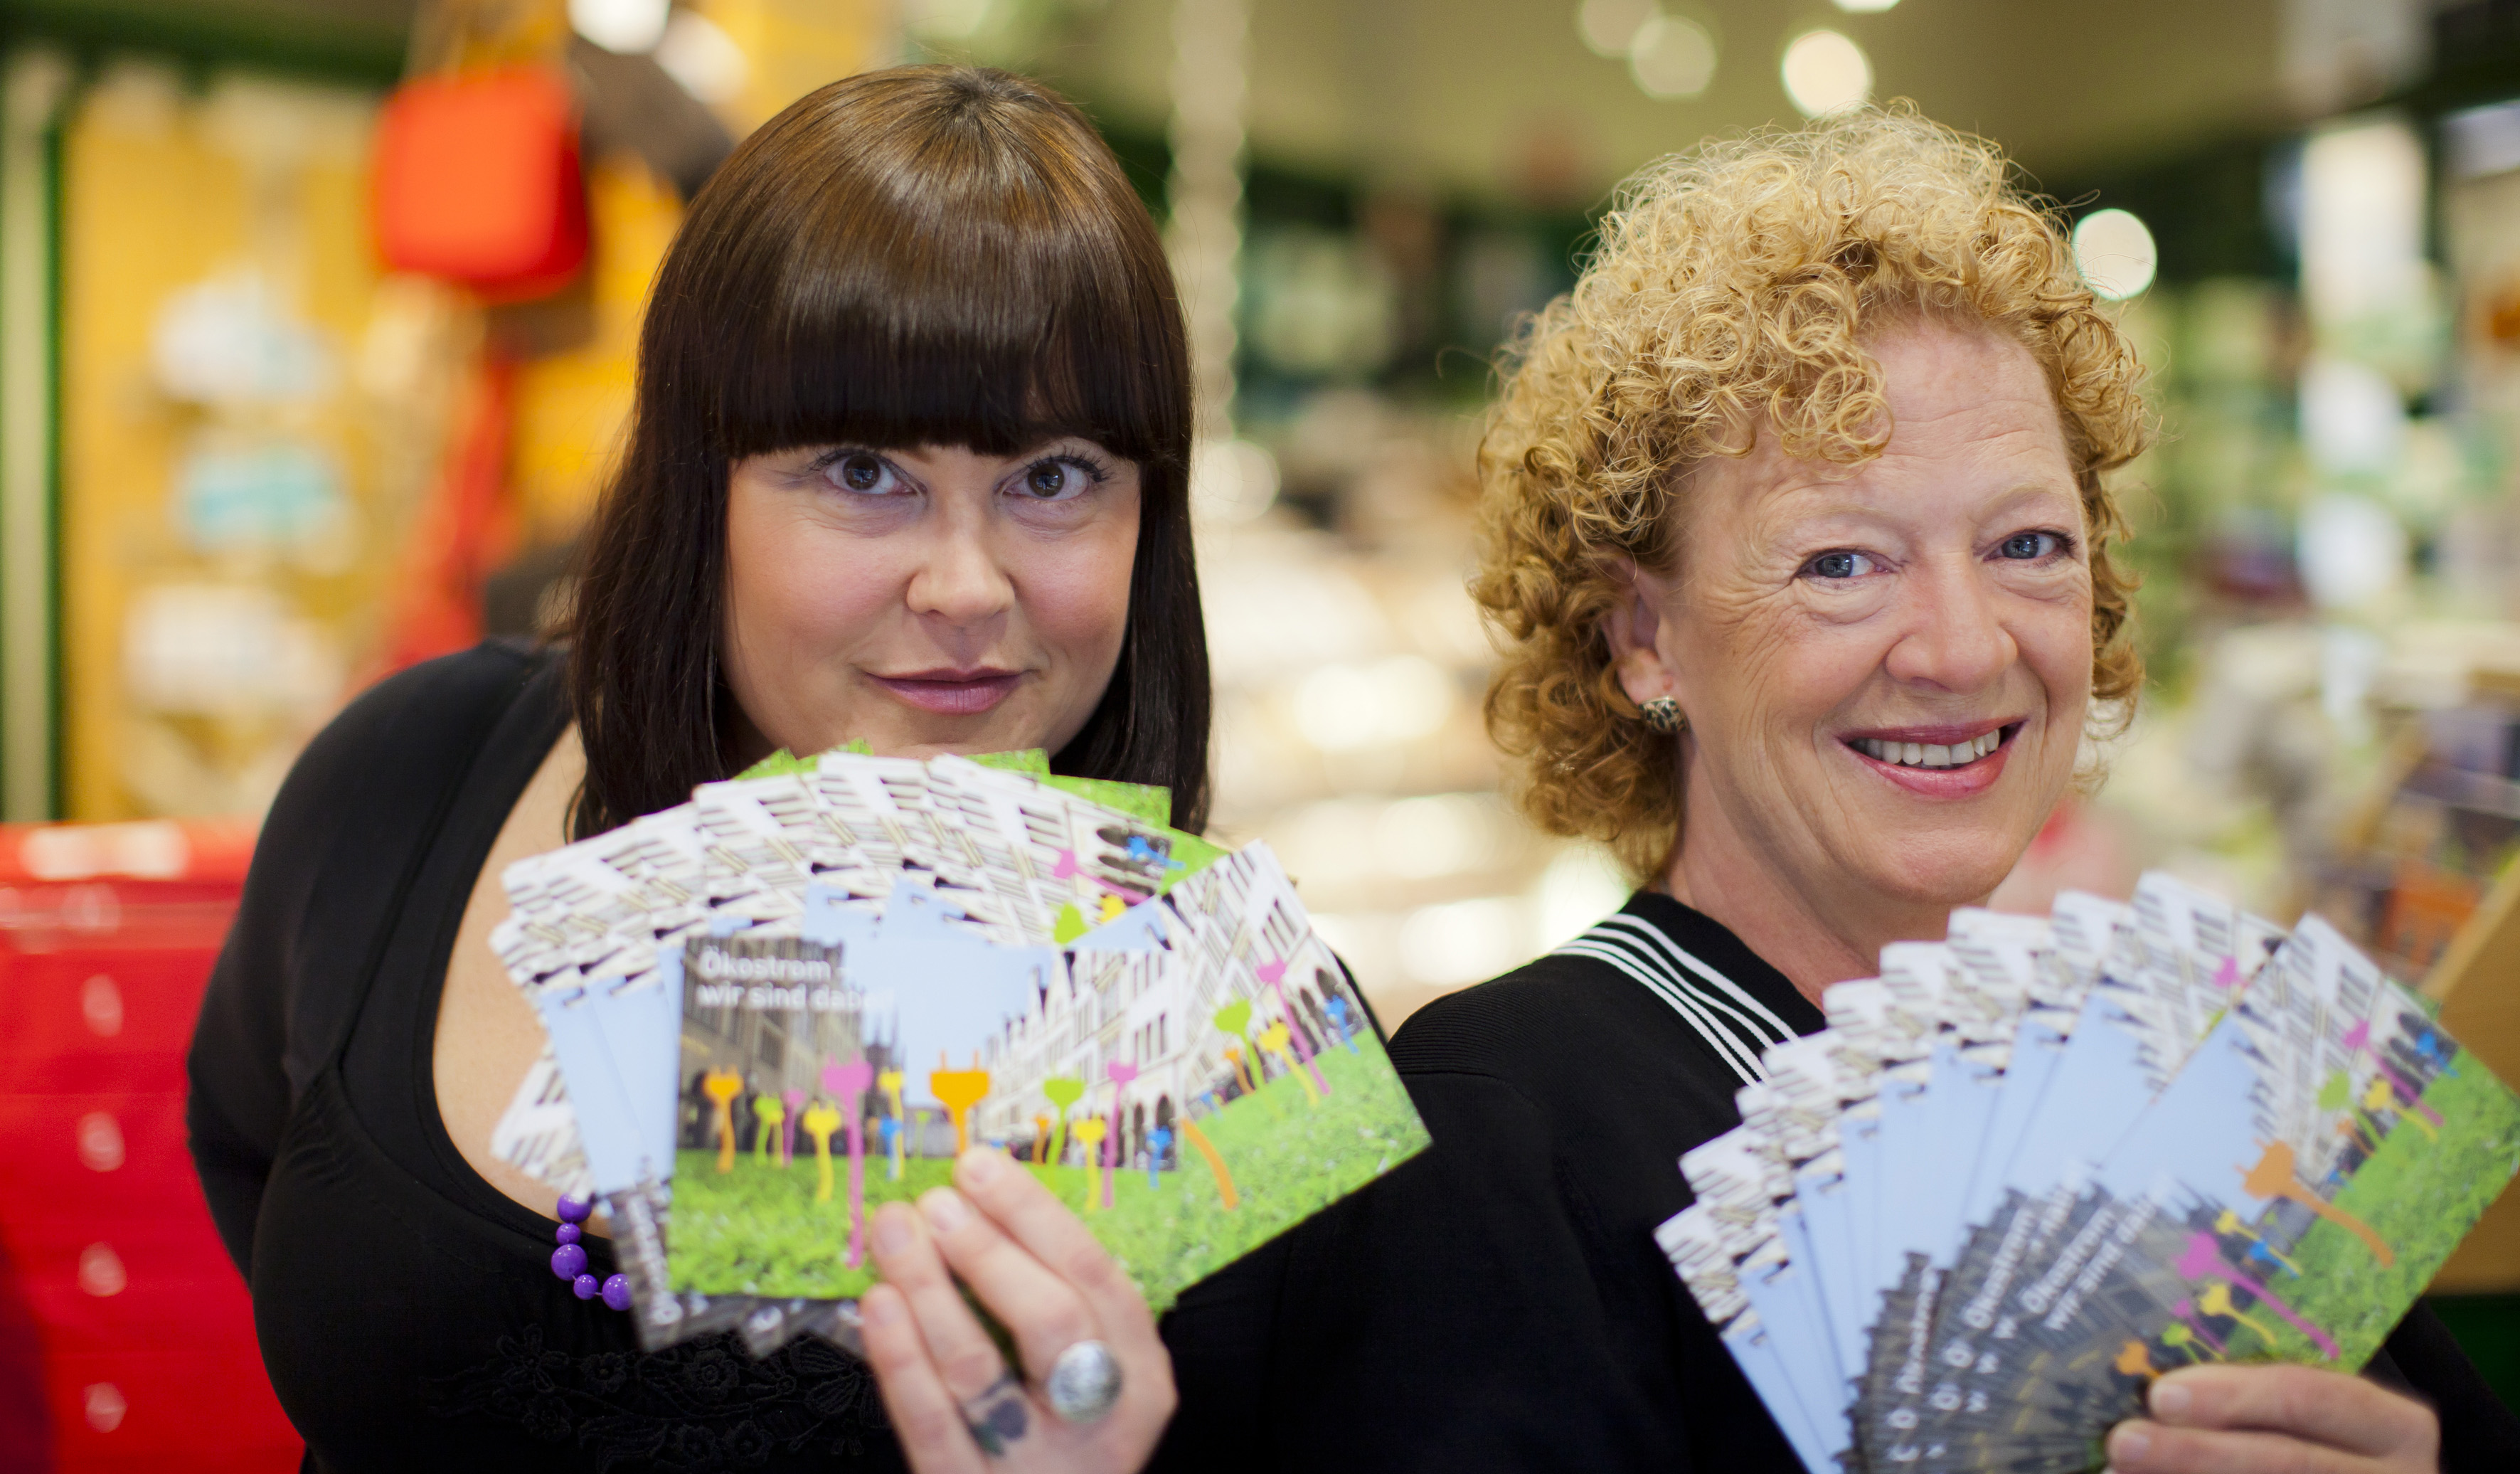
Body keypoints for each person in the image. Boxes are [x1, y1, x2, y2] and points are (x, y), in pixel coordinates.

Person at [1152, 108, 2520, 1473]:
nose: (1964, 648)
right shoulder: (1497, 1137)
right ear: (1641, 637)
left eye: (2027, 544)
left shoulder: (2197, 1090)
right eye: (1841, 563)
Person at [188, 66, 1198, 1473]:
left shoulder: (1213, 1033)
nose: (966, 586)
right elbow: (252, 1151)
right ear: (695, 482)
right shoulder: (411, 772)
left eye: (1053, 477)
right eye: (862, 472)